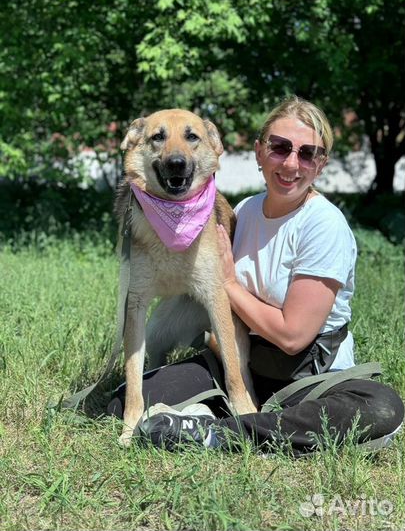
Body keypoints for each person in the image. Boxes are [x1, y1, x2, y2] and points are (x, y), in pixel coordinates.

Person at [107, 96, 404, 456]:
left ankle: (218, 430)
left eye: (307, 153)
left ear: (320, 164)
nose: (292, 163)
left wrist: (228, 283)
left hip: (310, 378)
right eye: (279, 148)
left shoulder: (324, 224)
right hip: (242, 364)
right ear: (259, 152)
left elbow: (293, 338)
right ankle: (233, 425)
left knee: (380, 406)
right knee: (120, 400)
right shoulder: (240, 213)